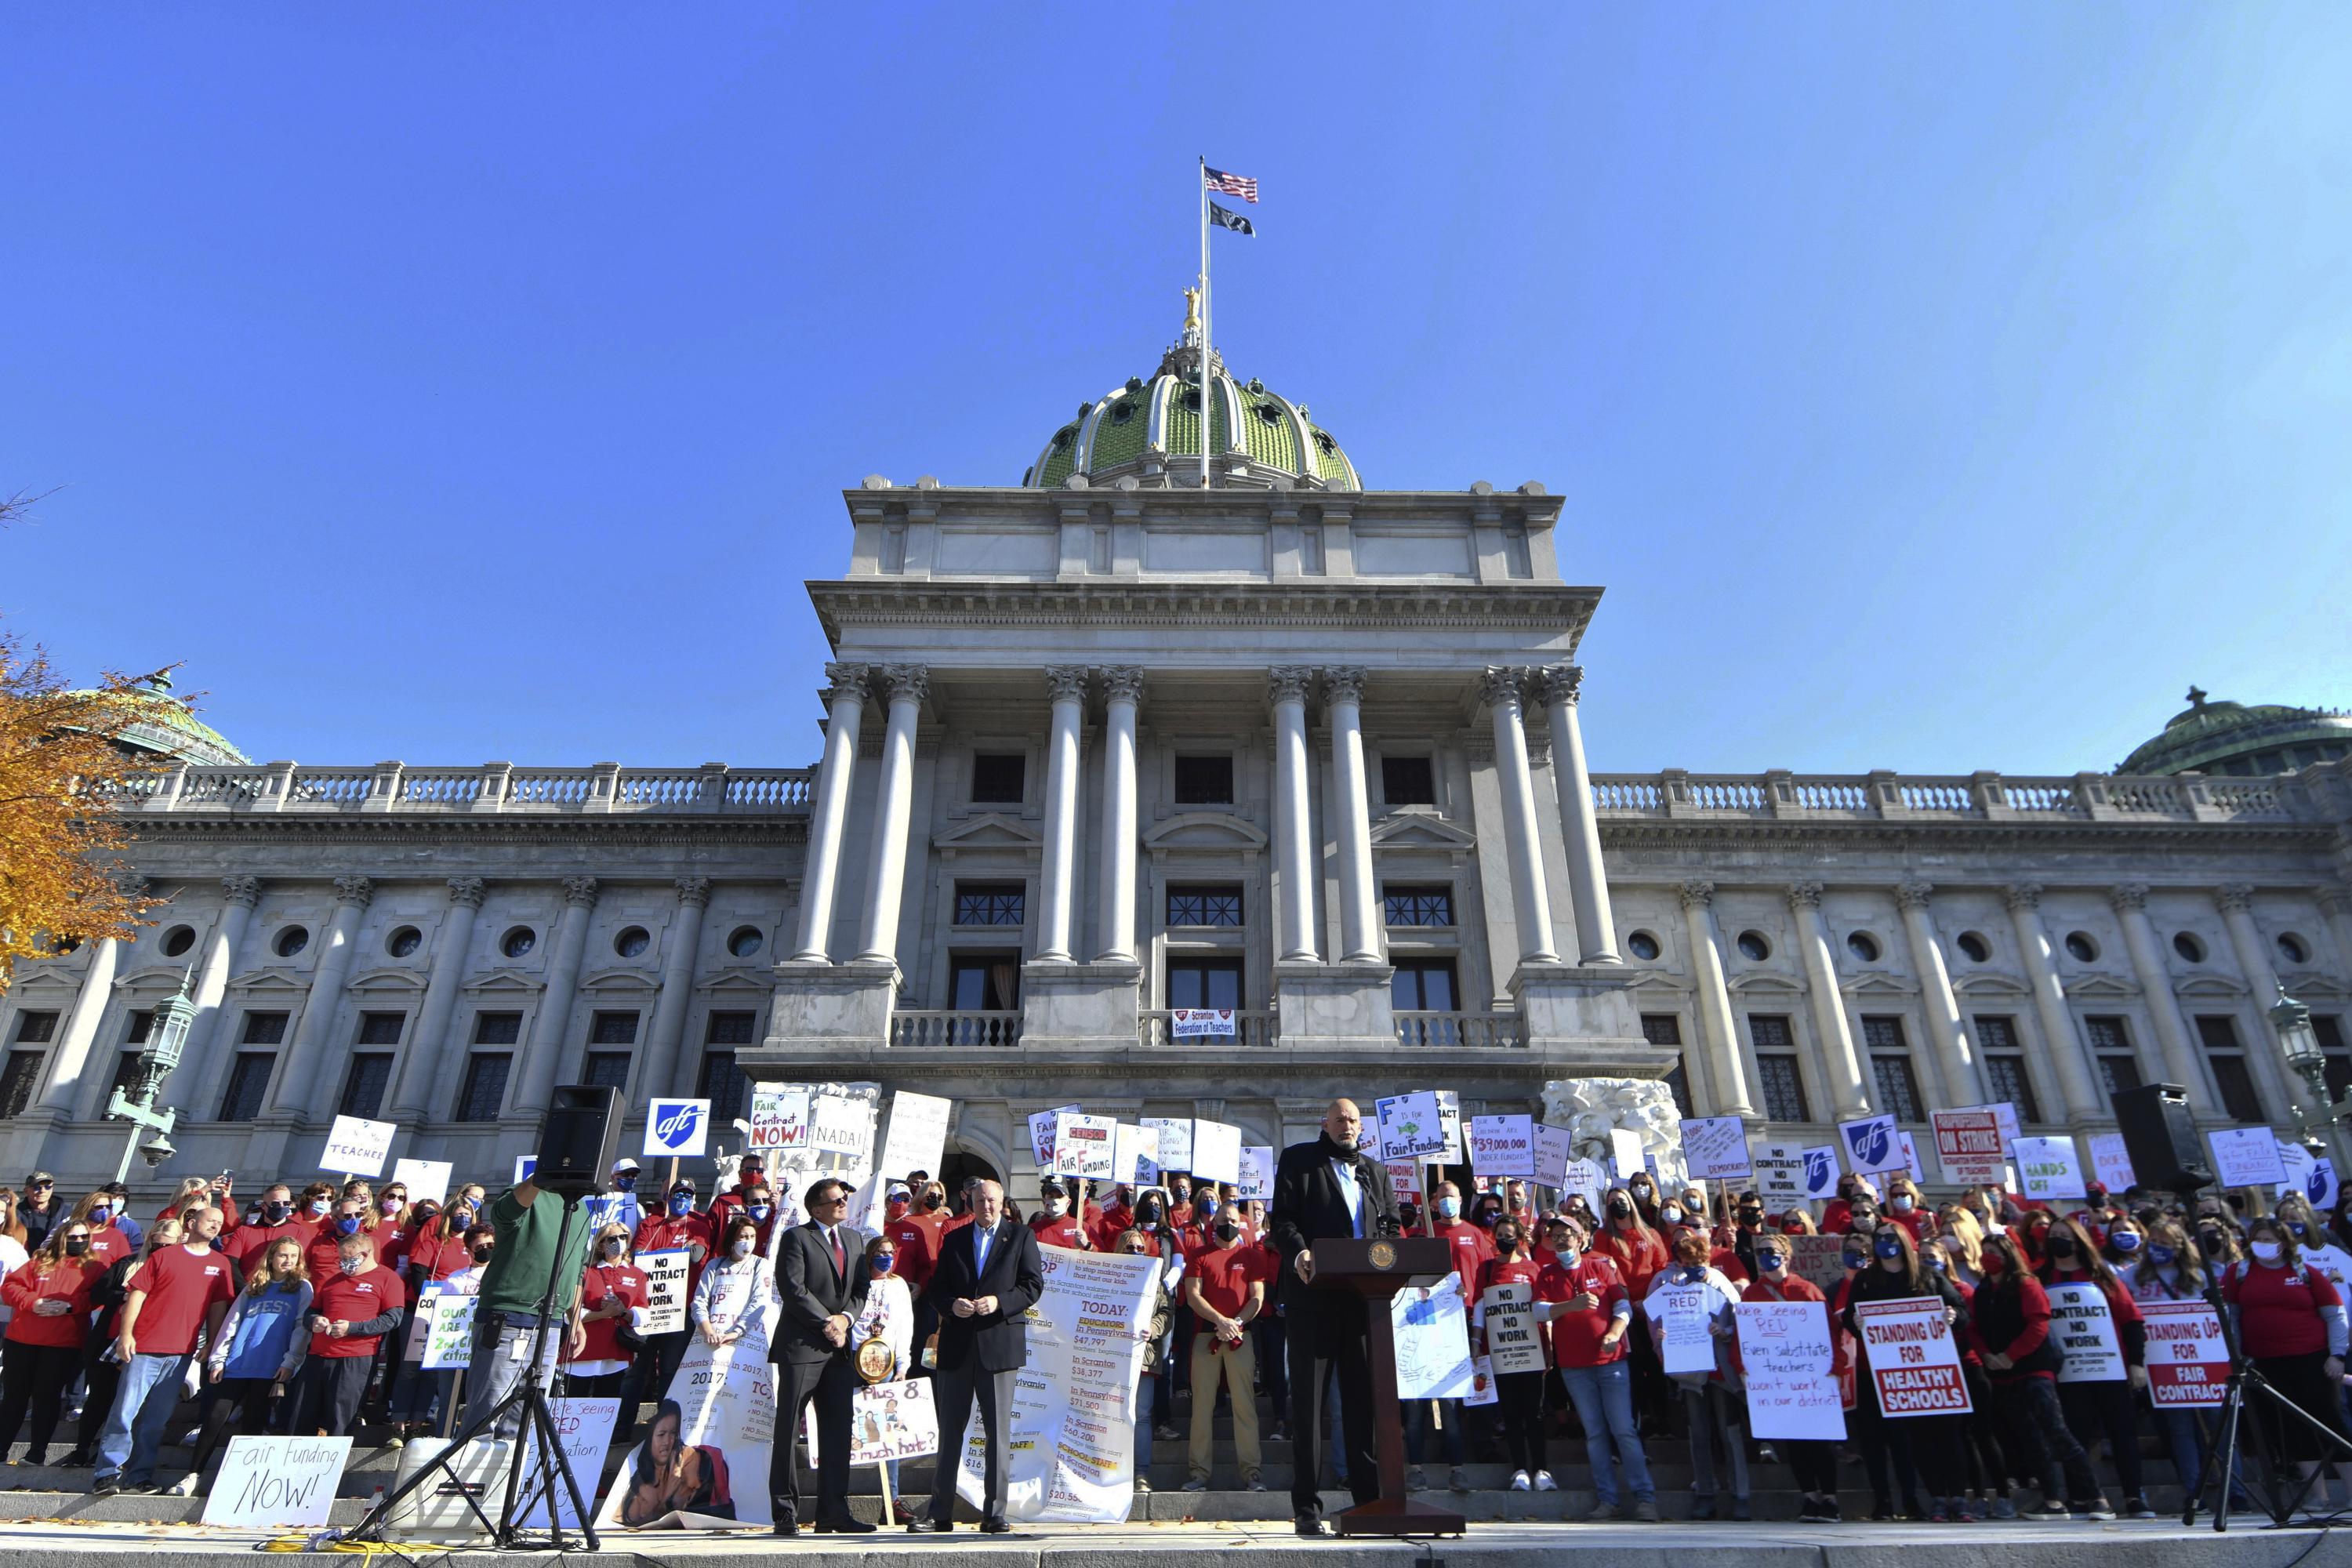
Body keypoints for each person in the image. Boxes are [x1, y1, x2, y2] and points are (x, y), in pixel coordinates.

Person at [1267, 1098, 1400, 1538]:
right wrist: (1300, 1253)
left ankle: (1368, 1503)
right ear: (1325, 1123)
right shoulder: (1300, 1161)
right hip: (1313, 1300)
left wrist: (1392, 1258)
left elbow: (1391, 1227)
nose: (1348, 1125)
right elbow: (1283, 1221)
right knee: (1309, 1407)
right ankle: (1307, 1509)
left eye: (1354, 1120)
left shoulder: (1375, 1172)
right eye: (1340, 1119)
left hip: (1365, 1303)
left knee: (1362, 1404)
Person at [910, 1177, 1044, 1535]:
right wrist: (951, 1305)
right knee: (950, 1432)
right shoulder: (955, 1238)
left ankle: (995, 1514)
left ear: (1002, 1203)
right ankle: (939, 1513)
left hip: (998, 1347)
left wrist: (999, 1302)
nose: (986, 1206)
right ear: (970, 1202)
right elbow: (937, 1289)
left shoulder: (1021, 1237)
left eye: (992, 1201)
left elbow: (1032, 1285)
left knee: (998, 1434)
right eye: (980, 1200)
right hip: (957, 1346)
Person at [92, 1210, 236, 1497]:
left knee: (157, 1419)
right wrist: (126, 1334)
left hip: (181, 1352)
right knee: (124, 1412)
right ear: (191, 1223)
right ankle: (107, 1473)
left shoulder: (220, 1264)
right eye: (210, 1219)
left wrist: (212, 1343)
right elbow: (137, 1294)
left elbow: (218, 1305)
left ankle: (139, 1475)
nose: (216, 1225)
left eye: (220, 1222)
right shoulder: (165, 1256)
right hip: (144, 1346)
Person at [1969, 1230, 2109, 1519]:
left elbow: (2038, 1325)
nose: (1988, 1257)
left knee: (2057, 1432)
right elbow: (1974, 1329)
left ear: (2008, 1255)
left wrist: (2010, 1355)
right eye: (1985, 1251)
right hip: (2002, 1376)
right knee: (2030, 1439)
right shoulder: (1982, 1291)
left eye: (1994, 1252)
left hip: (2034, 1370)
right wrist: (1987, 1355)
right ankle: (2053, 1500)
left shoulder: (2026, 1284)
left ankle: (2097, 1497)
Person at [1842, 1220, 1969, 1522]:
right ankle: (1928, 1499)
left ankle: (1955, 1498)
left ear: (1902, 1241)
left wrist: (1953, 1316)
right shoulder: (1865, 1280)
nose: (1885, 1242)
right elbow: (1850, 1317)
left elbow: (1962, 1311)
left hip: (1931, 1371)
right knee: (1911, 1439)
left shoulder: (1928, 1276)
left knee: (1944, 1436)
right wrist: (1856, 1323)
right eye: (1880, 1238)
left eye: (1891, 1237)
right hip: (1883, 1374)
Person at [2220, 1214, 2352, 1496]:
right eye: (2257, 1239)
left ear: (2283, 1243)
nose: (2262, 1244)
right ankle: (2319, 1496)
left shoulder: (2305, 1272)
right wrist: (2237, 1355)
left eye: (2268, 1240)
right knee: (2291, 1427)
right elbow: (2233, 1318)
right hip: (2265, 1363)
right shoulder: (2238, 1273)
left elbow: (2335, 1315)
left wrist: (2337, 1355)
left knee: (2329, 1422)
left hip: (2312, 1359)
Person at [771, 1177, 874, 1537]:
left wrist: (845, 1319)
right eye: (836, 1200)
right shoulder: (797, 1238)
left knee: (838, 1431)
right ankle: (785, 1512)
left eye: (845, 1198)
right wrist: (826, 1323)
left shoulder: (854, 1239)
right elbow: (793, 1289)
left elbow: (861, 1288)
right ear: (817, 1208)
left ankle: (834, 1513)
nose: (844, 1203)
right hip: (803, 1346)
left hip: (840, 1349)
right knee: (788, 1429)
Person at [461, 1171, 591, 1440]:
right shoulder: (528, 1193)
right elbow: (504, 1214)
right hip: (509, 1318)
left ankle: (509, 1466)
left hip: (552, 1324)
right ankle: (470, 1466)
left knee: (524, 1418)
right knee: (486, 1414)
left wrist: (575, 1318)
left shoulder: (582, 1210)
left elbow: (577, 1270)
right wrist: (545, 1171)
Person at [2038, 1214, 2152, 1518]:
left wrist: (2136, 1363)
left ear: (2079, 1242)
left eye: (2065, 1235)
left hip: (2109, 1370)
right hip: (2067, 1374)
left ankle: (2134, 1496)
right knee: (2075, 1435)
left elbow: (2131, 1320)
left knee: (2123, 1433)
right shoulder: (2041, 1278)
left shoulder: (2102, 1276)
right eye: (2054, 1235)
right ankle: (2080, 1496)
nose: (2059, 1240)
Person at [180, 1236, 310, 1495]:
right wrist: (219, 1358)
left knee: (253, 1423)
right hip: (238, 1363)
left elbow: (301, 1329)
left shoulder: (302, 1288)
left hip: (271, 1366)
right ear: (271, 1257)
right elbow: (232, 1322)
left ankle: (239, 1483)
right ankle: (193, 1475)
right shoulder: (255, 1286)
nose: (288, 1261)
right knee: (215, 1418)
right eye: (283, 1255)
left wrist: (290, 1361)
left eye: (293, 1256)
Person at [1739, 1232, 1842, 1521]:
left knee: (1820, 1441)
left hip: (1814, 1379)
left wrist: (1836, 1368)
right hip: (1778, 1381)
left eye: (1770, 1250)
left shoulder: (1807, 1290)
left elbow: (1831, 1333)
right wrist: (1743, 1367)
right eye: (1760, 1251)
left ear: (1786, 1256)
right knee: (1795, 1443)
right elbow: (1744, 1337)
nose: (1765, 1256)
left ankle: (1830, 1500)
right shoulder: (1751, 1294)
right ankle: (1809, 1497)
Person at [0, 1214, 101, 1467]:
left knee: (46, 1397)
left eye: (84, 1237)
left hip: (62, 1344)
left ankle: (37, 1452)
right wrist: (33, 1302)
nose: (79, 1241)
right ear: (61, 1238)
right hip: (22, 1339)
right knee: (13, 1397)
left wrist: (69, 1306)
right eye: (73, 1237)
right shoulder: (40, 1261)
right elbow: (10, 1287)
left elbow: (96, 1297)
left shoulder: (95, 1267)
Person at [1182, 1196, 1267, 1493]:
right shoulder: (1199, 1255)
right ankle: (1198, 1473)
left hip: (1240, 1338)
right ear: (1213, 1223)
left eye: (1233, 1220)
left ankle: (1252, 1473)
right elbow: (1193, 1295)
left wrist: (1236, 1324)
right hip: (1207, 1337)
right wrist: (1221, 1321)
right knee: (1201, 1408)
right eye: (1223, 1220)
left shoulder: (1251, 1256)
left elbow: (1257, 1297)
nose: (1228, 1224)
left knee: (1245, 1407)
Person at [288, 1229, 405, 1437]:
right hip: (317, 1356)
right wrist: (314, 1321)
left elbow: (392, 1319)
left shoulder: (388, 1278)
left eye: (348, 1258)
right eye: (340, 1258)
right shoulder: (333, 1280)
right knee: (301, 1417)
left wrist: (352, 1328)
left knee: (340, 1421)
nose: (343, 1263)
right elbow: (311, 1312)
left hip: (355, 1358)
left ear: (365, 1255)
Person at [1476, 1215, 1552, 1493]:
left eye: (1509, 1235)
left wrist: (1549, 1346)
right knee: (1510, 1414)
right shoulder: (1487, 1269)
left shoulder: (1532, 1268)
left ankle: (1541, 1469)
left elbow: (1543, 1309)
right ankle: (1519, 1469)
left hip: (1531, 1352)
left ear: (1519, 1238)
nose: (1504, 1240)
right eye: (1499, 1235)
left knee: (1534, 1413)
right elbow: (1480, 1306)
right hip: (1501, 1353)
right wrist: (1475, 1341)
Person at [851, 1232, 916, 1519]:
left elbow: (904, 1326)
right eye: (881, 1253)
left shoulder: (898, 1285)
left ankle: (892, 1500)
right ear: (870, 1256)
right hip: (855, 1361)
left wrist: (903, 1365)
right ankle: (837, 1498)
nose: (886, 1258)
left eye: (890, 1253)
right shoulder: (857, 1282)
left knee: (889, 1434)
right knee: (849, 1429)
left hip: (887, 1363)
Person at [565, 1220, 648, 1398]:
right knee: (574, 1402)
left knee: (608, 1403)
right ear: (601, 1244)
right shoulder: (587, 1272)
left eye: (623, 1237)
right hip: (583, 1349)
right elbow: (569, 1313)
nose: (619, 1242)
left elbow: (643, 1314)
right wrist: (602, 1314)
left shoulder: (637, 1274)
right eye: (612, 1238)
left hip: (616, 1353)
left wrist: (623, 1311)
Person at [621, 1397, 734, 1525]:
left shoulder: (692, 1458)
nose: (667, 1441)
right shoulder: (645, 1473)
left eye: (673, 1433)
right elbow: (632, 1518)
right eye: (661, 1434)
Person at [691, 1214, 777, 1349]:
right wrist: (708, 1331)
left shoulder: (761, 1264)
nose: (748, 1241)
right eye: (743, 1237)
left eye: (752, 1236)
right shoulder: (715, 1265)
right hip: (711, 1339)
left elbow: (760, 1299)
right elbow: (699, 1301)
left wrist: (736, 1331)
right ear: (732, 1239)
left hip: (746, 1339)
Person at [19, 1172, 60, 1254]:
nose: (43, 1191)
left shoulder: (66, 1212)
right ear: (26, 1191)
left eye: (48, 1187)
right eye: (37, 1187)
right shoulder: (16, 1214)